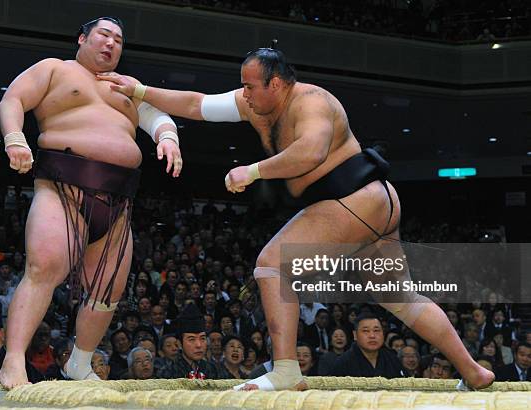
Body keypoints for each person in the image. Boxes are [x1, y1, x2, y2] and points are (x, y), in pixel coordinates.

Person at [99, 46, 494, 390]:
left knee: (273, 265)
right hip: (368, 204)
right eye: (244, 85)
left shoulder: (313, 102)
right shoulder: (254, 104)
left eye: (251, 86)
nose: (245, 93)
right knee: (400, 298)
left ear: (277, 84)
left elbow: (311, 152)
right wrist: (140, 90)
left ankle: (286, 369)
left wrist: (252, 171)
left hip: (356, 198)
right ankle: (472, 369)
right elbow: (197, 104)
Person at [0, 16, 182, 388]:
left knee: (109, 288)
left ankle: (79, 363)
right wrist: (15, 137)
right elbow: (13, 98)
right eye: (104, 34)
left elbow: (159, 116)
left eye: (119, 39)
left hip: (118, 199)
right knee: (45, 267)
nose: (112, 43)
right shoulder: (56, 70)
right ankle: (13, 360)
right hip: (64, 184)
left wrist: (168, 138)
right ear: (83, 38)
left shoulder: (126, 89)